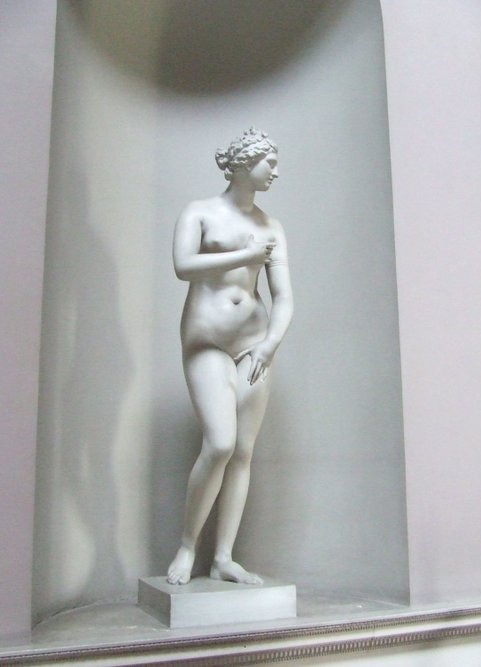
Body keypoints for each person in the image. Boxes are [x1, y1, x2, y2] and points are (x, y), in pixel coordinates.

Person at [167, 128, 293, 585]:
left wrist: (270, 343)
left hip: (253, 342)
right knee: (220, 443)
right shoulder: (199, 212)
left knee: (242, 450)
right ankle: (187, 546)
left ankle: (223, 557)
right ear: (244, 164)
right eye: (269, 163)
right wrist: (244, 253)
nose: (275, 171)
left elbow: (284, 297)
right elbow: (183, 266)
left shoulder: (271, 226)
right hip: (207, 340)